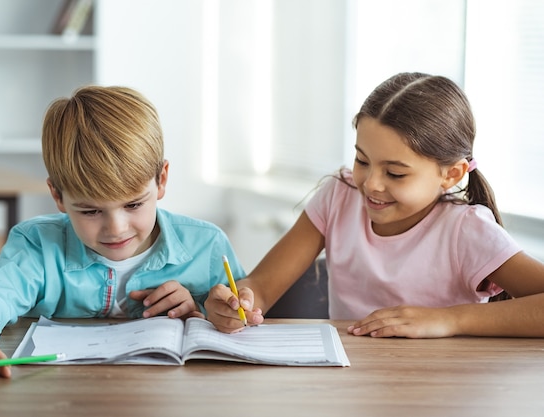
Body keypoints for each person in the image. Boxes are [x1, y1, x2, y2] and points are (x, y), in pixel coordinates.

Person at [0, 85, 244, 384]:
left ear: (161, 180)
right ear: (57, 195)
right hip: (62, 398)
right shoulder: (38, 246)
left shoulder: (207, 246)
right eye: (90, 211)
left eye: (133, 204)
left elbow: (239, 318)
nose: (116, 228)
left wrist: (205, 311)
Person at [206, 72, 544, 337]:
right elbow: (262, 285)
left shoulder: (466, 230)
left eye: (395, 173)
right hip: (353, 383)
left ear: (450, 174)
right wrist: (242, 301)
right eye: (362, 160)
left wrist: (449, 319)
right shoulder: (339, 195)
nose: (370, 184)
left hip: (442, 390)